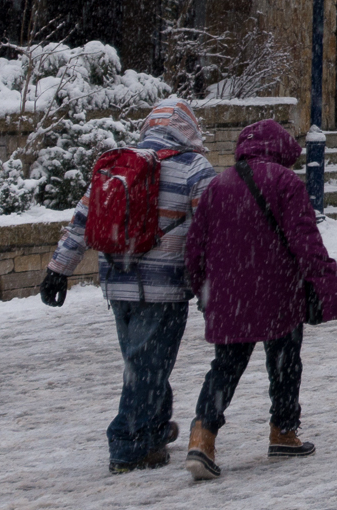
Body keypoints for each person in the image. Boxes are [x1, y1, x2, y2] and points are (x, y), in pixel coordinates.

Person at [41, 98, 217, 474]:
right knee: (147, 366)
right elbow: (213, 232)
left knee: (143, 363)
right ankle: (126, 444)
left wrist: (59, 268)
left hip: (117, 284)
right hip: (165, 288)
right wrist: (214, 284)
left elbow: (82, 221)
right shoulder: (194, 167)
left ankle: (152, 433)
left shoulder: (118, 163)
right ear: (188, 127)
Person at [182, 119, 337, 481]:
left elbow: (194, 247)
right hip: (278, 292)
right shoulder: (286, 182)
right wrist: (325, 284)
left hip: (229, 298)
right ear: (281, 149)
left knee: (224, 368)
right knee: (285, 364)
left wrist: (201, 288)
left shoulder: (218, 185)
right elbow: (306, 241)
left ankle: (202, 437)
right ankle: (283, 432)